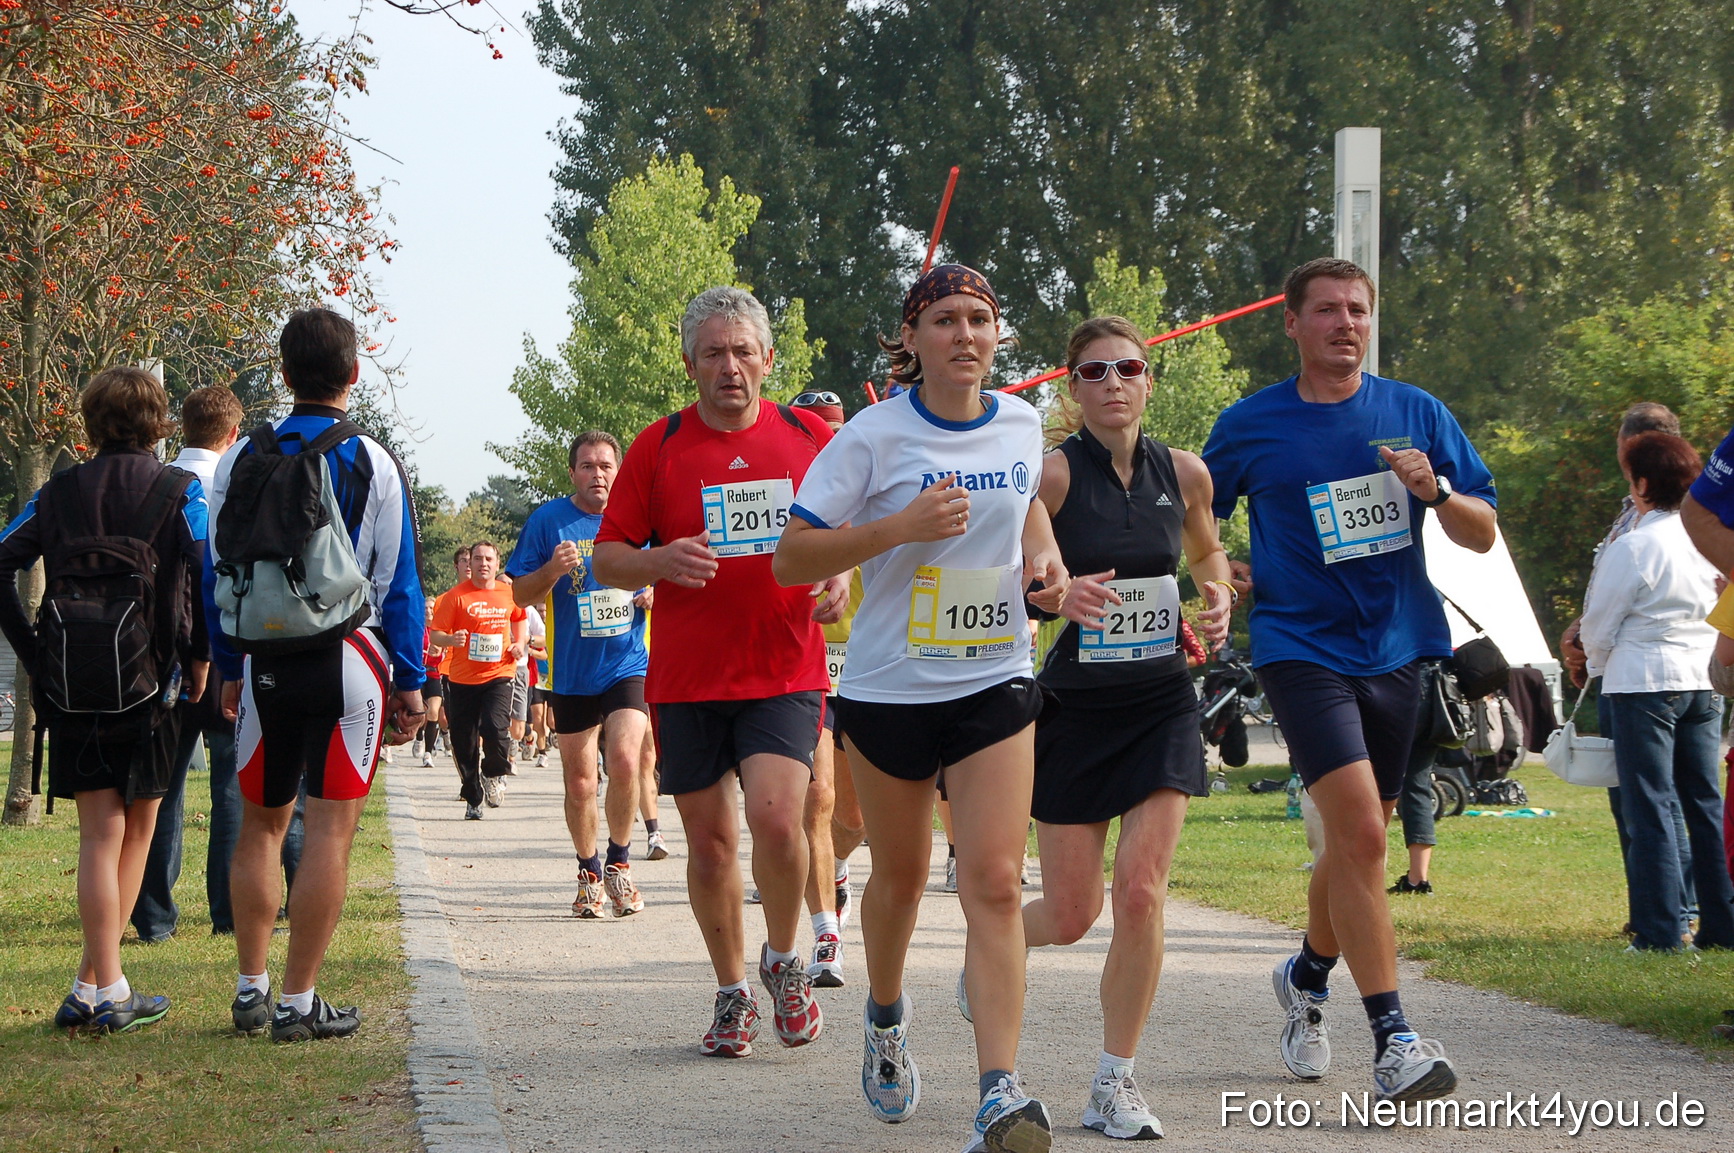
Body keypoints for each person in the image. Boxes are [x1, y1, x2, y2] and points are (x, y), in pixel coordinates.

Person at [774, 264, 1068, 1152]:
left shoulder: (1022, 423)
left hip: (996, 679)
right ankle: (887, 1015)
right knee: (898, 879)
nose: (965, 335)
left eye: (980, 319)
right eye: (945, 320)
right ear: (911, 338)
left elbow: (1026, 511)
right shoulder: (872, 436)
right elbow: (792, 558)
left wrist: (1044, 553)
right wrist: (895, 528)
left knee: (992, 881)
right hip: (892, 687)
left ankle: (998, 1089)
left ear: (997, 335)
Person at [1202, 257, 1497, 1103]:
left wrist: (1435, 490)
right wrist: (1224, 570)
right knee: (1365, 836)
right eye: (1326, 310)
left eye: (1358, 310)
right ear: (1291, 323)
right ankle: (1395, 1038)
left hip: (1401, 647)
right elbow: (1200, 516)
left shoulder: (1415, 411)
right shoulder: (1253, 422)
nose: (1345, 323)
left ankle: (1305, 973)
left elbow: (1480, 531)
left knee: (1354, 846)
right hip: (1301, 649)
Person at [594, 286, 846, 1058]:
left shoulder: (810, 436)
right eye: (713, 352)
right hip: (689, 676)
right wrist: (658, 558)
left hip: (784, 666)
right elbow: (607, 559)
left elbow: (850, 530)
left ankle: (784, 959)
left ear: (769, 359)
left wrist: (838, 575)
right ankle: (732, 989)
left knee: (778, 818)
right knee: (708, 845)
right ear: (690, 362)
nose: (729, 366)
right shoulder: (658, 446)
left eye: (743, 351)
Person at [1013, 315, 1234, 1140]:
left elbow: (1206, 551)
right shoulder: (1053, 478)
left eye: (1129, 368)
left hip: (1160, 703)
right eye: (1095, 370)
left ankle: (1114, 1082)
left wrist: (1215, 592)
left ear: (1148, 381)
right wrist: (1050, 593)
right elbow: (1018, 579)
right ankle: (997, 946)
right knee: (1071, 912)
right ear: (1072, 387)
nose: (1114, 382)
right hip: (1075, 707)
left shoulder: (1185, 472)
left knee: (1141, 889)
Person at [209, 309, 426, 1042]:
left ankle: (250, 988)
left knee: (260, 827)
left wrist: (232, 664)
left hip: (264, 655)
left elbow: (223, 568)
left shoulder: (241, 458)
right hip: (350, 657)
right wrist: (413, 680)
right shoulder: (372, 458)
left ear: (284, 373)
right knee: (330, 827)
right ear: (353, 374)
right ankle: (300, 1002)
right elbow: (399, 585)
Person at [0, 367, 209, 1033]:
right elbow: (209, 573)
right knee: (137, 830)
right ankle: (108, 984)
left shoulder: (55, 491)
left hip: (70, 682)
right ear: (158, 424)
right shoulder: (182, 490)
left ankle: (92, 985)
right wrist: (202, 658)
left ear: (91, 422)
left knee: (98, 834)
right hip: (154, 685)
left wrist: (34, 655)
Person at [1579, 432, 1734, 952]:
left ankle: (1661, 931)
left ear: (1642, 483)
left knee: (1650, 808)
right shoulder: (1712, 537)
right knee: (1706, 808)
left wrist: (1597, 665)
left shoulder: (1636, 544)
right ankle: (1722, 925)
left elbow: (1599, 623)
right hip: (1704, 678)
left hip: (1644, 680)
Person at [1560, 403, 1695, 931]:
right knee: (1646, 802)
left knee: (1657, 802)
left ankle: (1670, 912)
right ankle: (1654, 904)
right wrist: (1579, 634)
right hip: (1646, 669)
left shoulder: (1665, 523)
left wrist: (1590, 652)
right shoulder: (1630, 513)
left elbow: (1627, 596)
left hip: (1643, 674)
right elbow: (1612, 595)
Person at [507, 431, 649, 918]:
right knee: (580, 782)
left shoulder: (636, 515)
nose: (598, 474)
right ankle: (588, 871)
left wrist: (653, 591)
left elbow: (666, 571)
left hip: (627, 662)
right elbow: (520, 595)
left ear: (619, 469)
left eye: (606, 465)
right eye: (587, 466)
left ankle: (620, 864)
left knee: (628, 762)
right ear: (573, 473)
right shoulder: (548, 520)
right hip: (571, 671)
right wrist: (550, 570)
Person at [126, 385, 240, 943]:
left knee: (162, 789)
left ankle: (153, 915)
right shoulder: (240, 481)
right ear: (232, 433)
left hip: (163, 650)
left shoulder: (159, 483)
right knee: (229, 785)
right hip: (225, 649)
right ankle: (228, 911)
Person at [789, 388, 856, 987]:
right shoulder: (785, 502)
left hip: (873, 669)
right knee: (818, 797)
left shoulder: (877, 482)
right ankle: (827, 934)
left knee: (855, 817)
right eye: (817, 429)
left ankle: (831, 867)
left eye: (836, 427)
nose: (826, 438)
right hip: (808, 667)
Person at [430, 541, 526, 819]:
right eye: (477, 559)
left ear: (497, 564)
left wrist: (519, 642)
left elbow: (519, 618)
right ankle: (472, 793)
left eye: (489, 559)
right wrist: (450, 639)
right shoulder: (455, 597)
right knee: (464, 742)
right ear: (468, 564)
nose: (483, 564)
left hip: (499, 673)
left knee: (497, 730)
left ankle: (493, 773)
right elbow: (436, 634)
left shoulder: (508, 593)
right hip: (461, 679)